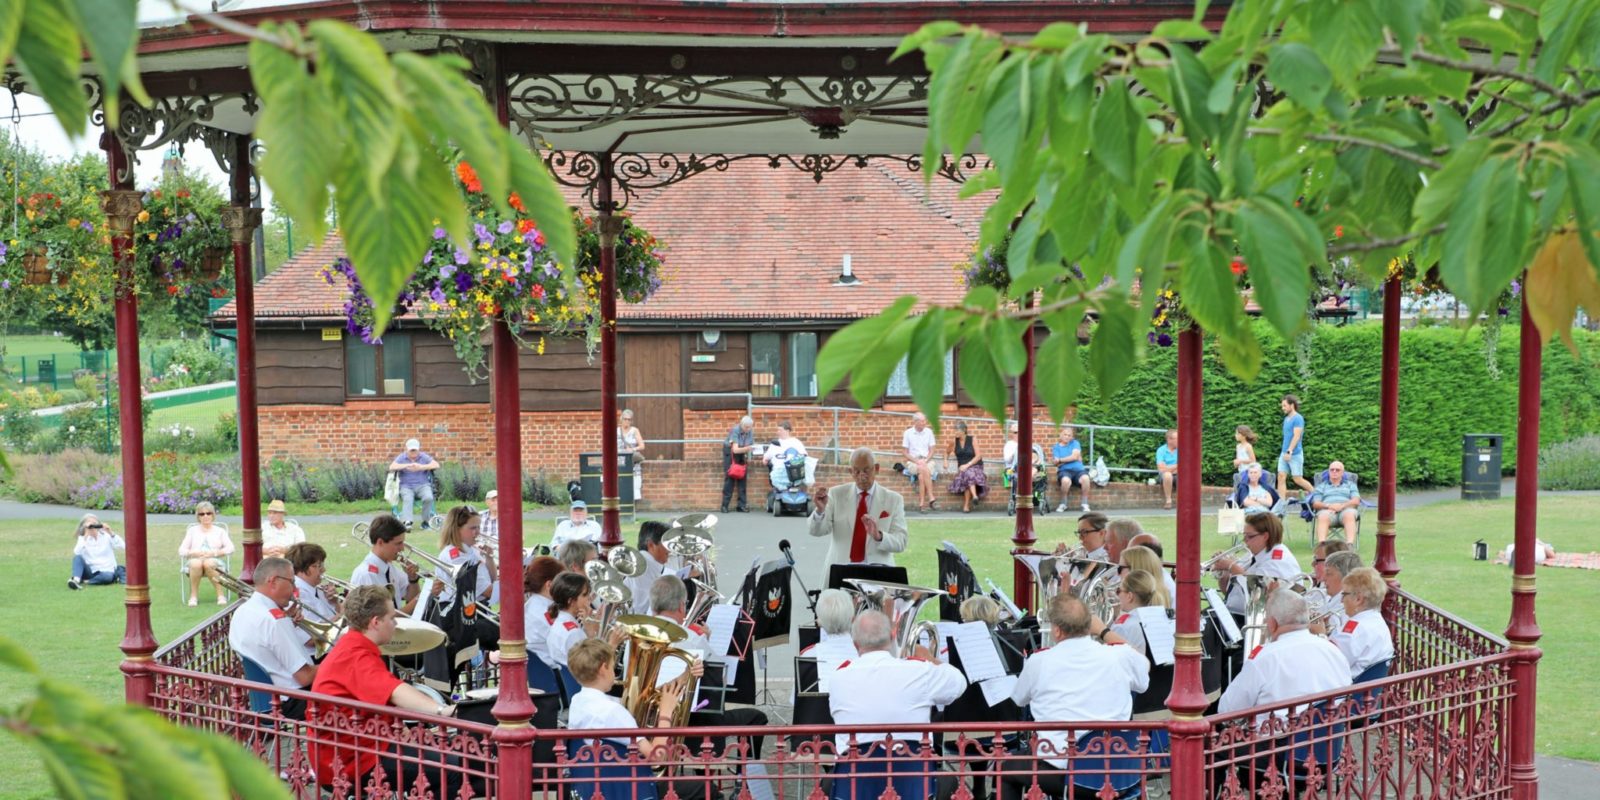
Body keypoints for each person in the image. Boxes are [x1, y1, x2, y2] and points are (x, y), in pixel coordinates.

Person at [310, 586, 481, 798]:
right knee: (457, 771)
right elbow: (394, 691)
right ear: (375, 622)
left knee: (467, 766)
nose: (396, 623)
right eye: (391, 618)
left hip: (365, 747)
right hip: (353, 760)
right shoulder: (355, 655)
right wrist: (442, 710)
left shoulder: (354, 647)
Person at [1002, 593, 1148, 800]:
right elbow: (1144, 666)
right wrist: (1105, 632)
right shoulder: (1120, 655)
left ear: (1057, 630)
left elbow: (1019, 699)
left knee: (1005, 769)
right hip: (1121, 771)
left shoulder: (1040, 661)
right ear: (1089, 625)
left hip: (1069, 774)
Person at [564, 638, 708, 800]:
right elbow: (656, 757)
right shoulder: (612, 712)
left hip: (602, 788)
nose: (614, 672)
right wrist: (666, 713)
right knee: (706, 788)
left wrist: (685, 676)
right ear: (604, 668)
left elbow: (645, 699)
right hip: (633, 789)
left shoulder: (577, 701)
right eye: (613, 666)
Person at [648, 575, 769, 756]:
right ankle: (741, 779)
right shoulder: (693, 639)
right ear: (682, 606)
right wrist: (707, 642)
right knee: (757, 717)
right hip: (690, 723)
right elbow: (720, 679)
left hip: (647, 719)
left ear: (653, 605)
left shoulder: (635, 638)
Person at [828, 610, 967, 755]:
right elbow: (959, 683)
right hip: (913, 774)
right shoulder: (919, 671)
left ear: (855, 644)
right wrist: (929, 659)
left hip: (854, 775)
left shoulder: (838, 678)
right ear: (893, 636)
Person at [1218, 589, 1350, 724]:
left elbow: (1228, 710)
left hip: (1278, 742)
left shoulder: (1263, 658)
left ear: (1272, 623)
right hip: (1329, 739)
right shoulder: (1334, 651)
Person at [228, 557, 316, 719]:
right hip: (292, 700)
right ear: (273, 581)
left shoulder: (243, 611)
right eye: (292, 582)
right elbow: (305, 677)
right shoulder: (275, 620)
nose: (294, 589)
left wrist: (287, 623)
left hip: (266, 699)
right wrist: (339, 660)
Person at [808, 447, 909, 581]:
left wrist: (878, 536)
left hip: (878, 576)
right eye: (856, 471)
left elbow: (901, 542)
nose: (862, 476)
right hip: (841, 573)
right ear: (851, 471)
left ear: (876, 469)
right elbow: (816, 531)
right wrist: (820, 511)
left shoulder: (894, 499)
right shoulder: (836, 494)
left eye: (866, 470)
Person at [1210, 512, 1301, 616]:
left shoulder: (1278, 561)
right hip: (1236, 614)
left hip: (1255, 621)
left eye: (1249, 536)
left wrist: (1232, 566)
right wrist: (1224, 574)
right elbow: (1231, 594)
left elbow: (1257, 596)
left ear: (1265, 536)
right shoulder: (1253, 555)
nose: (1245, 541)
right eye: (1244, 536)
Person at [349, 513, 433, 616]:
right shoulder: (366, 574)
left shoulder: (388, 567)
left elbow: (409, 597)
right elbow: (386, 618)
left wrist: (413, 579)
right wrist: (423, 597)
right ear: (380, 542)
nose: (402, 548)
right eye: (398, 543)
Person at [1327, 568, 1394, 680]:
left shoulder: (1355, 628)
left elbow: (1330, 662)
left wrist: (1320, 635)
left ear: (1358, 599)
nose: (1341, 600)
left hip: (1344, 692)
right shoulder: (1377, 621)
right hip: (1365, 691)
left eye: (1344, 594)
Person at [625, 521, 697, 615]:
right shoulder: (645, 564)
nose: (671, 549)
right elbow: (642, 609)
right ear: (651, 545)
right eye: (667, 543)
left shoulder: (645, 561)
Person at [435, 506, 497, 612]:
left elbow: (492, 579)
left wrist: (489, 558)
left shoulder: (472, 548)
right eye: (473, 528)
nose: (478, 532)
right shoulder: (455, 556)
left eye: (478, 527)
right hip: (460, 613)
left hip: (476, 609)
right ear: (457, 529)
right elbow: (488, 592)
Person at [798, 589, 859, 692]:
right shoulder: (863, 655)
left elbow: (799, 701)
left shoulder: (807, 656)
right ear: (852, 618)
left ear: (820, 621)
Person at [544, 571, 605, 670]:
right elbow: (594, 667)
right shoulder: (573, 633)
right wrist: (594, 635)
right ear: (571, 601)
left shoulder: (561, 622)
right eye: (584, 595)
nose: (589, 599)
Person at [178, 502, 234, 606]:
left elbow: (230, 548)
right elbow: (181, 550)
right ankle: (193, 596)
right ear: (198, 516)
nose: (205, 516)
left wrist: (215, 553)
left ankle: (220, 595)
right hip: (195, 560)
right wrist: (193, 552)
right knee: (195, 563)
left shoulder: (220, 531)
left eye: (208, 513)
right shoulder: (192, 531)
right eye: (202, 514)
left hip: (214, 560)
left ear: (213, 515)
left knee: (209, 563)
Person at [524, 555, 566, 668]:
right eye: (562, 583)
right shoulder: (546, 612)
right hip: (559, 673)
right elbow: (570, 650)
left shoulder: (532, 604)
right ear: (549, 585)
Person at [287, 542, 340, 629]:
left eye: (322, 565)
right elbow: (316, 632)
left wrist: (335, 602)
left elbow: (335, 614)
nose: (323, 569)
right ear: (301, 568)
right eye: (317, 566)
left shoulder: (316, 588)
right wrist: (345, 611)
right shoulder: (299, 595)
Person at [390, 438, 441, 527]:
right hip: (406, 486)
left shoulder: (423, 456)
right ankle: (407, 522)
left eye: (415, 450)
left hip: (423, 485)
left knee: (428, 497)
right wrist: (407, 465)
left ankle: (426, 521)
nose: (413, 452)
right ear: (407, 449)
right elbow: (392, 466)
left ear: (418, 449)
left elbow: (436, 465)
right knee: (408, 499)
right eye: (411, 450)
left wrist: (421, 467)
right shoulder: (402, 457)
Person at [68, 513, 125, 589]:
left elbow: (123, 546)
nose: (92, 527)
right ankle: (76, 580)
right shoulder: (83, 539)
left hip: (107, 571)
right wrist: (86, 535)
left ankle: (86, 581)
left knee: (107, 577)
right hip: (91, 571)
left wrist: (111, 532)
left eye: (94, 524)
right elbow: (77, 552)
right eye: (90, 524)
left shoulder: (106, 536)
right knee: (77, 558)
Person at [1314, 551, 1363, 634]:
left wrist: (1319, 632)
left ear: (1346, 578)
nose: (1323, 579)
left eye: (1329, 574)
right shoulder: (1328, 597)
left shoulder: (1347, 608)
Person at [1312, 461, 1361, 544]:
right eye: (1332, 470)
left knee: (1349, 515)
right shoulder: (1321, 486)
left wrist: (1341, 506)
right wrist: (1329, 506)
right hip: (1328, 511)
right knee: (1323, 516)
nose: (1334, 472)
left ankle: (1350, 545)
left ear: (1342, 472)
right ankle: (1322, 546)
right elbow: (1316, 503)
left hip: (1346, 510)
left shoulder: (1350, 485)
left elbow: (1356, 500)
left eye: (1337, 470)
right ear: (1329, 472)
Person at [945, 420, 987, 513]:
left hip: (975, 466)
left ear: (964, 430)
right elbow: (946, 452)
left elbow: (978, 456)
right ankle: (974, 497)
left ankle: (967, 505)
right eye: (954, 430)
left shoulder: (972, 439)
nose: (955, 432)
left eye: (957, 430)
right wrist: (945, 461)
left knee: (968, 473)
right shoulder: (954, 442)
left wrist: (967, 465)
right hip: (963, 468)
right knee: (967, 473)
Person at [902, 412, 940, 512]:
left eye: (925, 421)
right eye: (922, 421)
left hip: (927, 460)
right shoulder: (908, 433)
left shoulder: (929, 432)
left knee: (921, 476)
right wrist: (917, 461)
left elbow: (932, 450)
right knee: (922, 468)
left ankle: (922, 504)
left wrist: (926, 460)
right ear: (915, 422)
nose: (924, 423)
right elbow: (905, 453)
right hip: (913, 461)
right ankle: (931, 498)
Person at [1277, 395, 1313, 499]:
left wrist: (1289, 451)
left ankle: (1316, 494)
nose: (1282, 408)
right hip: (1284, 453)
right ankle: (1281, 504)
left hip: (1294, 453)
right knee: (1281, 476)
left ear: (1292, 405)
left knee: (1297, 479)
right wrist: (1285, 452)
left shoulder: (1298, 418)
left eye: (1284, 405)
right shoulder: (1286, 419)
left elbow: (1297, 436)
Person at [1050, 425, 1092, 514]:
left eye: (1069, 435)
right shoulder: (1056, 447)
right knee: (1065, 481)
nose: (1067, 437)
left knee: (1086, 478)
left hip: (1079, 470)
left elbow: (1075, 456)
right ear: (1061, 435)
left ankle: (1085, 503)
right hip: (1064, 471)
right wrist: (1071, 458)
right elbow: (1056, 462)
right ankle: (1063, 503)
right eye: (1065, 435)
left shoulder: (1075, 443)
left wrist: (1061, 460)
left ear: (1072, 437)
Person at [721, 415, 755, 513]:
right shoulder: (735, 430)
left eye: (749, 427)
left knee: (742, 478)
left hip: (742, 451)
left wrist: (752, 449)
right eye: (746, 427)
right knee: (730, 478)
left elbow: (750, 444)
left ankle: (741, 505)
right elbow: (735, 450)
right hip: (730, 452)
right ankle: (724, 505)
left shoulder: (750, 431)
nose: (747, 430)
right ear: (741, 425)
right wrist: (748, 449)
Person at [618, 408, 646, 500]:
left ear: (631, 421)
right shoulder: (616, 431)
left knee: (634, 483)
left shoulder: (634, 430)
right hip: (619, 461)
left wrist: (633, 449)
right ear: (621, 419)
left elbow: (642, 446)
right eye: (625, 419)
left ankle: (633, 504)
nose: (626, 421)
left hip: (632, 461)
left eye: (629, 419)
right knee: (621, 482)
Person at [1155, 429, 1179, 509]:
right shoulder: (1161, 450)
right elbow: (1161, 469)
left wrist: (1167, 468)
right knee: (1168, 475)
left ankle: (1184, 501)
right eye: (1177, 439)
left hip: (1179, 474)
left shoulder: (1182, 449)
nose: (1180, 440)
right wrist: (1177, 465)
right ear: (1169, 440)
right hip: (1165, 476)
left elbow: (1184, 466)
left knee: (1187, 475)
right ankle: (1168, 500)